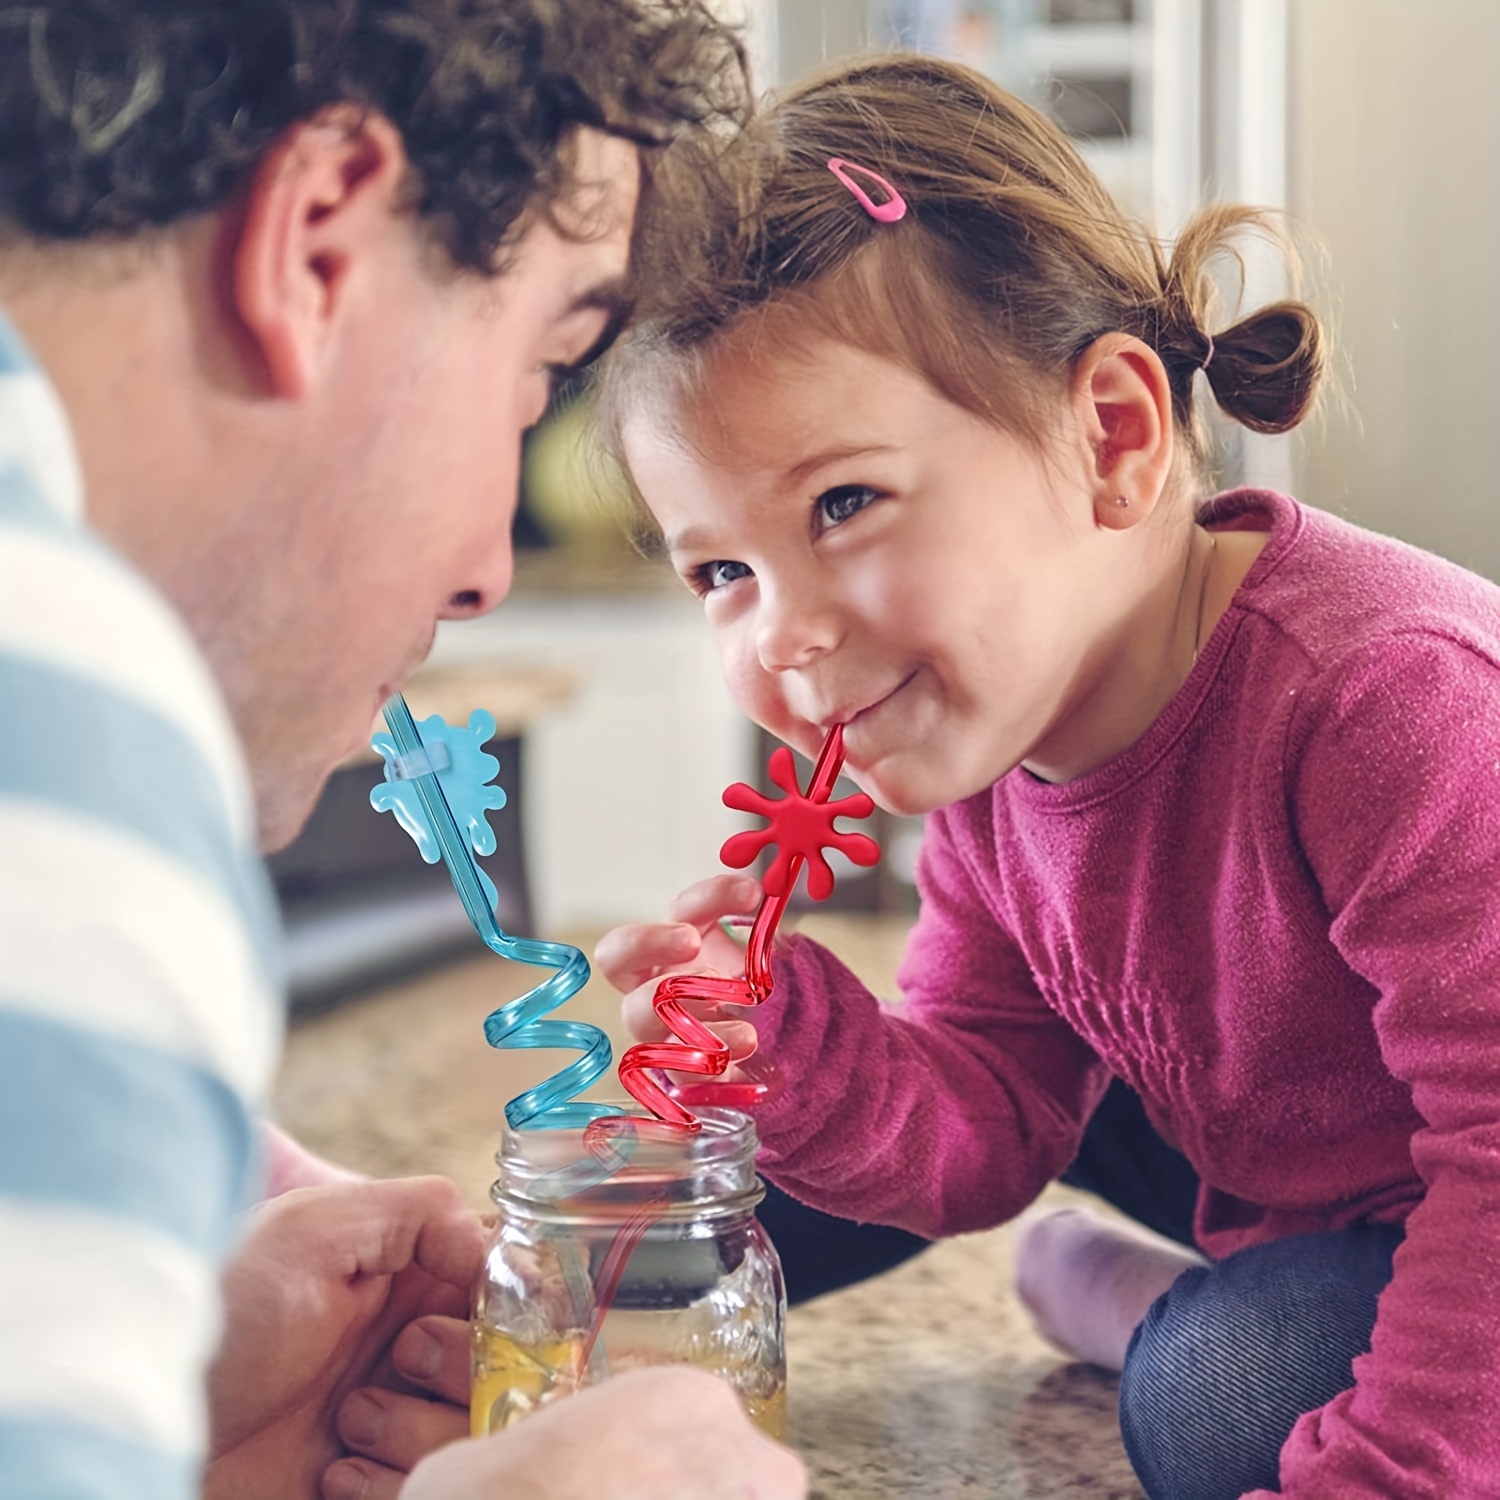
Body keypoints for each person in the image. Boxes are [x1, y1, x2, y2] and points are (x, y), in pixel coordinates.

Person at [592, 52, 1500, 1500]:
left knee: (1214, 1402)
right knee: (739, 1182)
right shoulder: (995, 752)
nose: (787, 633)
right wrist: (804, 1062)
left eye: (845, 503)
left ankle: (1143, 1307)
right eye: (721, 569)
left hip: (1459, 1186)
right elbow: (989, 1124)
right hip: (1281, 1149)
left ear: (1113, 436)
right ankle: (1164, 1287)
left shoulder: (1387, 700)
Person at [0, 4, 805, 1499]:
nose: (487, 569)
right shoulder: (53, 726)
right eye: (537, 368)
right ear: (317, 240)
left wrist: (160, 1419)